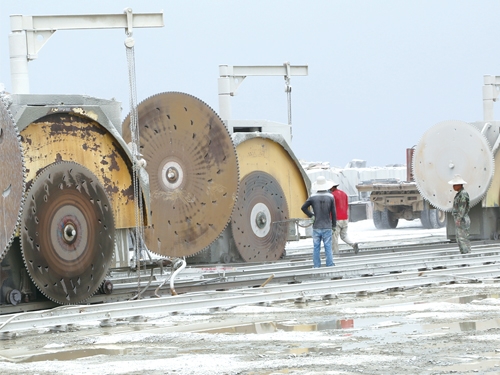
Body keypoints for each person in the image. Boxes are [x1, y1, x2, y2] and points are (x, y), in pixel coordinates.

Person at [301, 176, 336, 268]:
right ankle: (330, 264)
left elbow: (303, 208)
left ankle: (316, 265)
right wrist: (334, 225)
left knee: (316, 247)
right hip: (327, 226)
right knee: (328, 246)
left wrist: (311, 215)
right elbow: (333, 212)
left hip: (316, 226)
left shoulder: (312, 197)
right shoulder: (331, 197)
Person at [330, 182, 359, 254]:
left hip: (336, 219)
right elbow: (346, 205)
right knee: (344, 235)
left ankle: (335, 253)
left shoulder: (332, 195)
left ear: (332, 187)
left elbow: (331, 208)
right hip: (345, 218)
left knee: (334, 237)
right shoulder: (344, 194)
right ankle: (353, 244)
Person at [449, 174, 471, 254]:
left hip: (462, 219)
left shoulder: (463, 194)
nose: (453, 187)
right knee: (462, 238)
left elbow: (462, 208)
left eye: (455, 185)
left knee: (462, 239)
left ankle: (466, 254)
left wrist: (458, 219)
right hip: (462, 219)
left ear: (460, 185)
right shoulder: (460, 194)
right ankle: (466, 253)